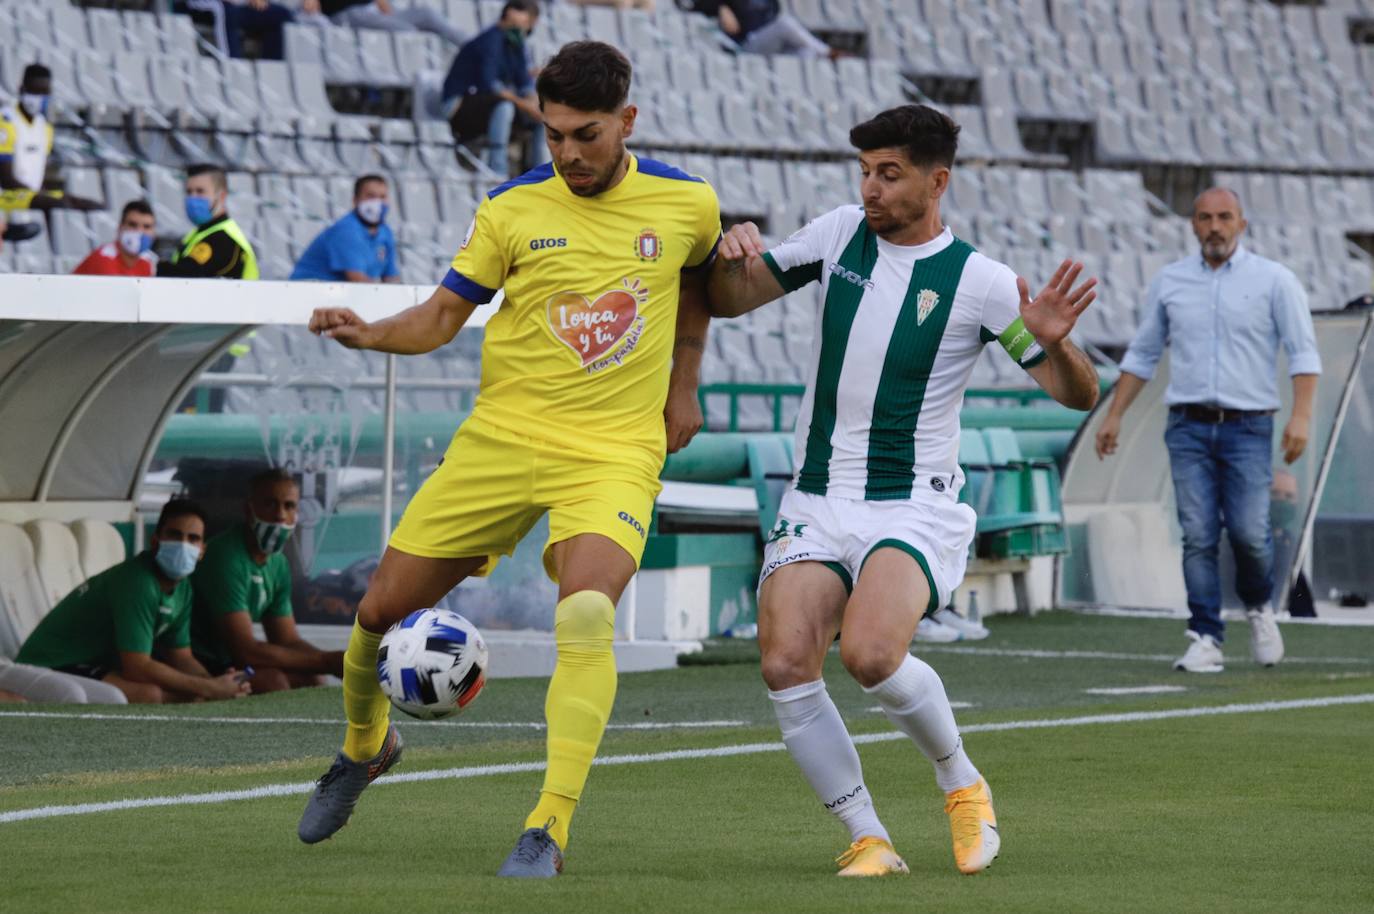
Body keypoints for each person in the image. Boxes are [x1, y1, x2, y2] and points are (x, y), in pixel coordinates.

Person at [297, 40, 719, 878]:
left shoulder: (687, 203)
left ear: (626, 121)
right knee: (379, 610)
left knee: (588, 616)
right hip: (502, 440)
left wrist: (685, 385)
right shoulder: (510, 209)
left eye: (585, 135)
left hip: (612, 451)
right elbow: (439, 318)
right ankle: (364, 750)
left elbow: (698, 286)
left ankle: (546, 828)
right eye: (553, 134)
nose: (567, 153)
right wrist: (369, 332)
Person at [707, 104, 1100, 877]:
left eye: (889, 174)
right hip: (816, 497)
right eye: (865, 172)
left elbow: (1074, 394)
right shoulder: (836, 235)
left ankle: (961, 783)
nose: (872, 189)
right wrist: (731, 254)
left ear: (936, 180)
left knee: (871, 653)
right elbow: (730, 299)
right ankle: (868, 837)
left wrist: (1059, 344)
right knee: (786, 662)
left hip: (910, 503)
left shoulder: (980, 283)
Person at [1095, 187, 1321, 674]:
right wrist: (1114, 415)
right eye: (1204, 218)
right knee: (1197, 533)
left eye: (1224, 217)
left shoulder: (1275, 281)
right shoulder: (1170, 282)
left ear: (1242, 223)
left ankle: (1259, 608)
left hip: (1250, 427)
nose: (1214, 226)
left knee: (1250, 534)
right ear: (1193, 225)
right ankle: (1205, 635)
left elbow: (1304, 354)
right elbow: (1143, 354)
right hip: (1188, 427)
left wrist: (1301, 416)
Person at [14, 500, 252, 704]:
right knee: (148, 694)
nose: (183, 545)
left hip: (90, 665)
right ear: (155, 540)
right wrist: (208, 690)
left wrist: (217, 682)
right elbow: (137, 667)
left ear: (202, 550)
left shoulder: (183, 588)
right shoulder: (137, 581)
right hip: (52, 663)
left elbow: (181, 656)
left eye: (193, 539)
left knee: (178, 690)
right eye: (175, 535)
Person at [191, 469, 345, 693]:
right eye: (270, 504)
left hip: (233, 661)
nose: (280, 515)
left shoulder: (278, 564)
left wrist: (338, 663)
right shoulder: (225, 556)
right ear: (249, 510)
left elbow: (287, 640)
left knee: (312, 677)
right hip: (202, 662)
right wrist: (328, 661)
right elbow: (245, 650)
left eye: (289, 506)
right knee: (273, 680)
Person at [441, 0, 544, 178]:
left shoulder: (516, 43)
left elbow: (524, 81)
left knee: (541, 117)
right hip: (459, 105)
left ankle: (538, 176)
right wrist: (526, 105)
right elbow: (490, 87)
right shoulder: (489, 41)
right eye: (518, 25)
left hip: (488, 103)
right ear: (506, 19)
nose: (523, 31)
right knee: (505, 107)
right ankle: (498, 171)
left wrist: (534, 104)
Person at [290, 175, 400, 283]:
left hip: (342, 297)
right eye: (371, 196)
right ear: (355, 200)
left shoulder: (385, 232)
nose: (377, 203)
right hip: (310, 294)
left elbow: (391, 278)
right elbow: (358, 281)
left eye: (382, 197)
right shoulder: (346, 230)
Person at [158, 164, 259, 279]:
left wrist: (152, 268)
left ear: (221, 196)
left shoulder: (223, 238)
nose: (192, 198)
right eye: (189, 192)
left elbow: (185, 275)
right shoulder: (201, 233)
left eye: (200, 191)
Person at [303, 0, 468, 47]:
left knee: (426, 14)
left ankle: (471, 46)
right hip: (347, 14)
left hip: (372, 9)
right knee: (404, 30)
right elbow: (309, 6)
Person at [703, 0, 832, 57]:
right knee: (784, 24)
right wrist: (721, 7)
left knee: (807, 53)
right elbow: (694, 4)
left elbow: (773, 16)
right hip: (745, 45)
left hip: (770, 45)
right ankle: (827, 52)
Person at [176, 1, 297, 60]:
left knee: (281, 15)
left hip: (236, 5)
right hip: (204, 4)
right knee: (224, 10)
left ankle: (271, 71)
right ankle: (230, 65)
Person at [73, 200, 158, 277]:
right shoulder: (104, 258)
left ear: (154, 233)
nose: (139, 231)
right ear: (120, 228)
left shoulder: (146, 262)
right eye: (133, 225)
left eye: (146, 227)